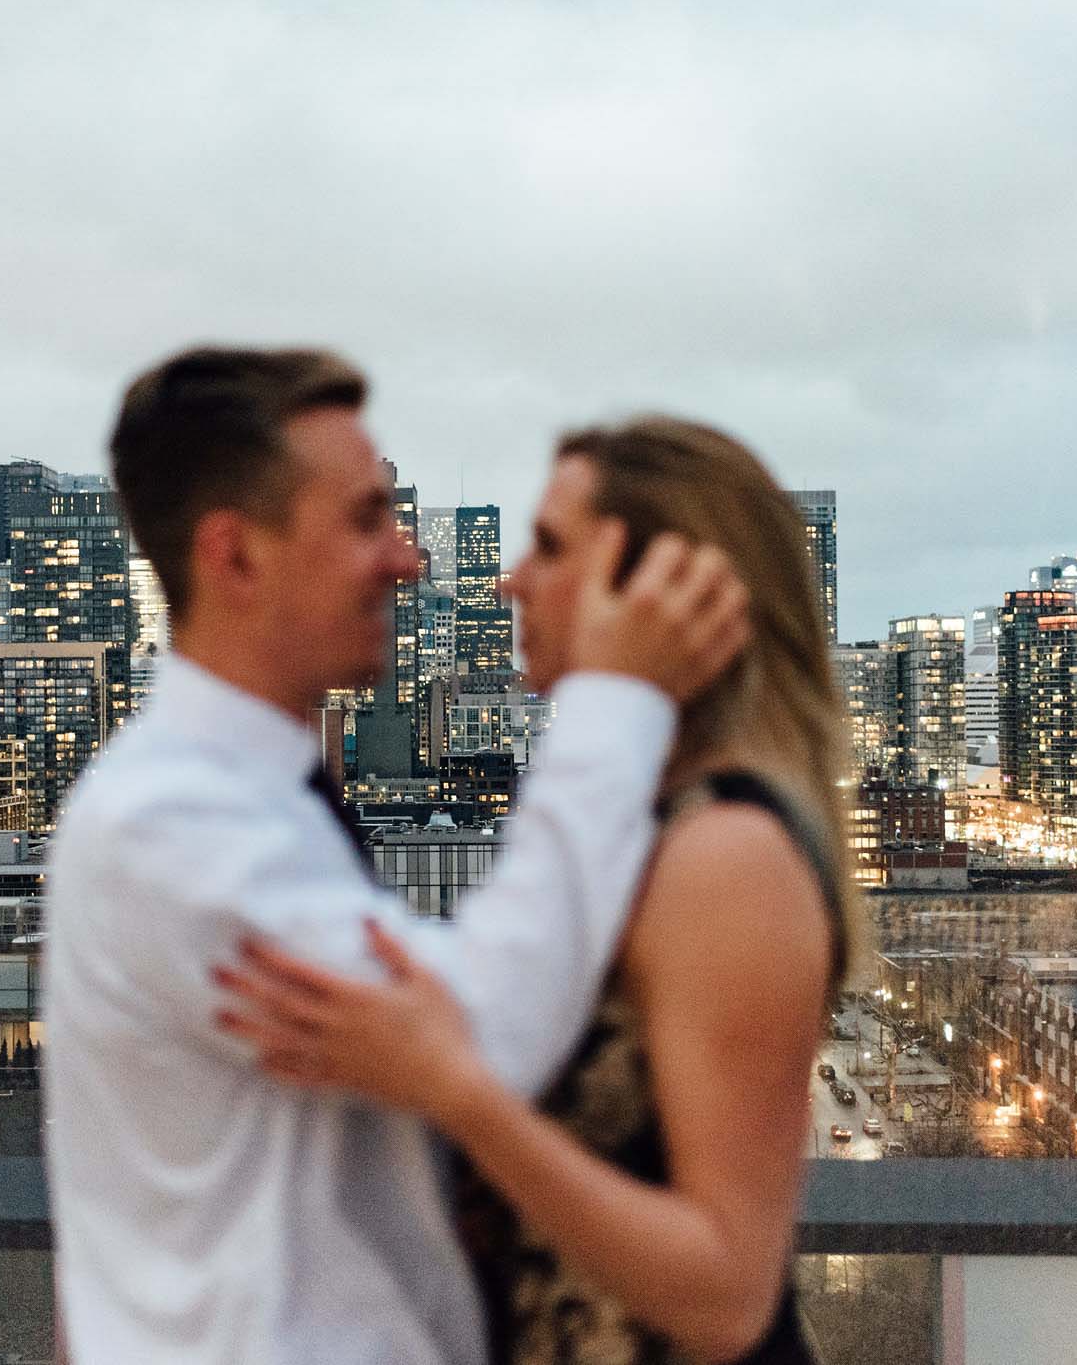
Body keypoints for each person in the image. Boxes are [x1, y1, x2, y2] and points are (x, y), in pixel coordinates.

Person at [42, 348, 752, 1365]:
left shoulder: (252, 797)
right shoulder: (169, 823)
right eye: (365, 520)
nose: (407, 558)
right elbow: (486, 1025)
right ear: (235, 557)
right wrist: (617, 695)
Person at [214, 416, 860, 1364]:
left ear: (648, 587)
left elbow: (727, 1293)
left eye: (551, 547)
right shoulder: (641, 818)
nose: (512, 578)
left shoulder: (725, 854)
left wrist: (454, 1089)